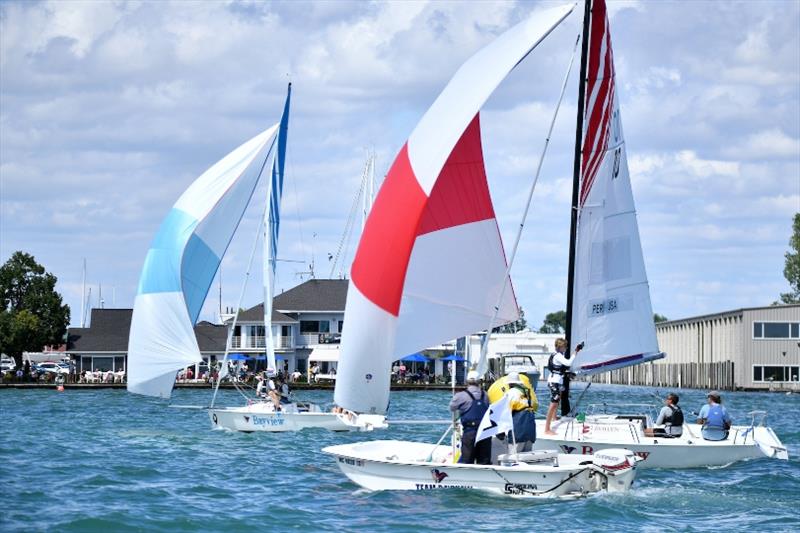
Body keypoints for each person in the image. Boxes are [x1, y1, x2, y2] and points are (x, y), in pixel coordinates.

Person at [449, 370, 491, 465]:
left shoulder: (461, 396)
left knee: (467, 461)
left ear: (467, 381)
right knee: (484, 461)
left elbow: (452, 407)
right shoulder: (486, 395)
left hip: (470, 432)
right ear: (479, 382)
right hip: (485, 432)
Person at [544, 338, 576, 435]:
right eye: (565, 347)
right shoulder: (558, 355)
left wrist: (567, 373)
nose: (566, 348)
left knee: (558, 398)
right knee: (553, 403)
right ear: (560, 347)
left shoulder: (557, 355)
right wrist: (576, 352)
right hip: (554, 382)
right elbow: (568, 363)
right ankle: (547, 429)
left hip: (557, 380)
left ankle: (554, 417)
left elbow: (558, 368)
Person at [504, 372, 538, 452]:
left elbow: (505, 412)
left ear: (510, 384)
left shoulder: (511, 393)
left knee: (514, 457)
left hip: (518, 429)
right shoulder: (526, 392)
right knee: (527, 457)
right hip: (530, 428)